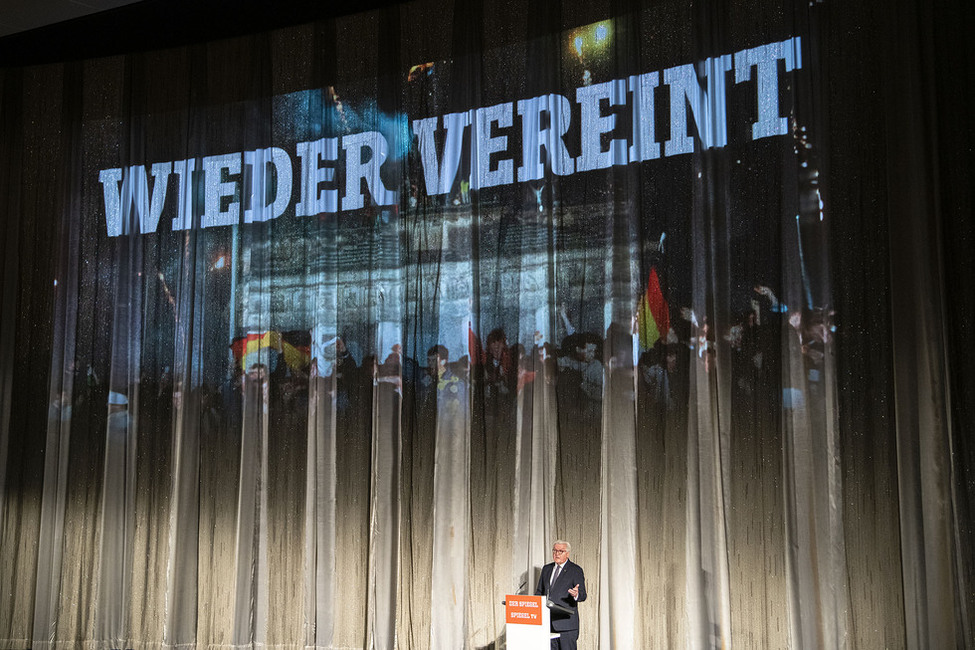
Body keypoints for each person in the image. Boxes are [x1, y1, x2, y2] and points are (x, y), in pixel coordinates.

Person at [535, 540, 587, 650]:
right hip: (548, 624)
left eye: (560, 551)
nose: (556, 554)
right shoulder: (547, 569)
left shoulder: (575, 570)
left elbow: (583, 595)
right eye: (554, 550)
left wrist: (576, 594)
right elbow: (539, 592)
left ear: (567, 553)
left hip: (566, 626)